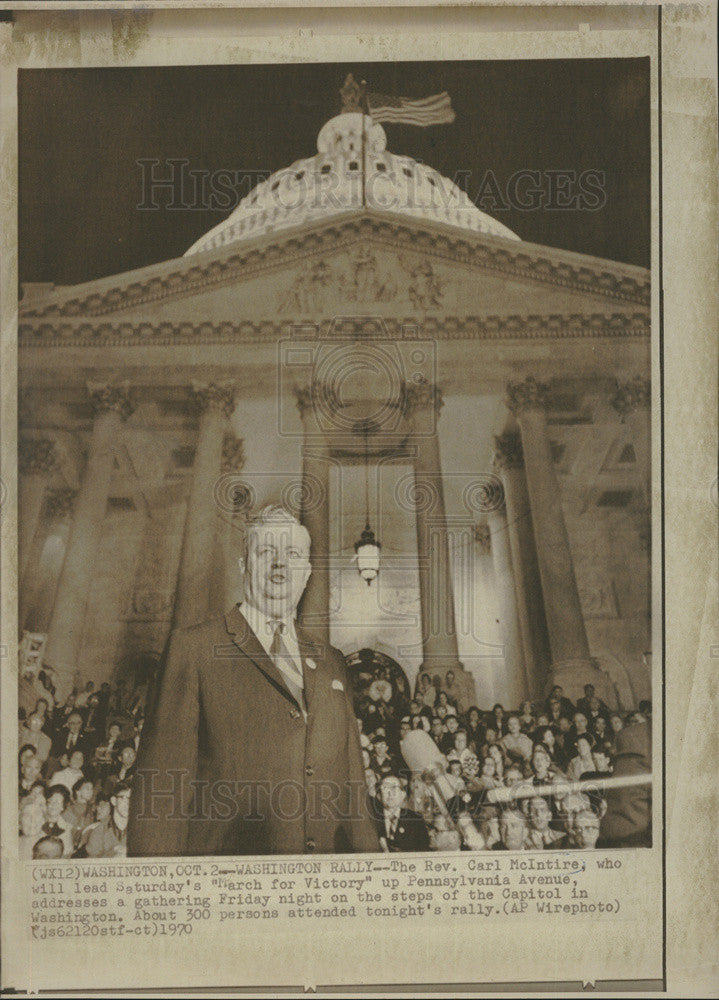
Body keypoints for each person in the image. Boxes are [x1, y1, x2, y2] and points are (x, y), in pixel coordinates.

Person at [128, 504, 380, 856]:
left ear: (306, 573)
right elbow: (161, 791)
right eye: (266, 552)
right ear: (244, 566)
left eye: (292, 554)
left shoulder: (332, 661)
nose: (280, 565)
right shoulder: (195, 648)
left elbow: (353, 791)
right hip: (228, 885)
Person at [373, 774, 429, 853]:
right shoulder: (372, 819)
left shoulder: (415, 819)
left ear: (403, 795)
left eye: (394, 788)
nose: (390, 793)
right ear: (379, 796)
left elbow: (424, 851)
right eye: (385, 788)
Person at [86, 782, 131, 857]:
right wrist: (112, 853)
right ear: (113, 801)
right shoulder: (98, 831)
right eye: (123, 798)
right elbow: (90, 864)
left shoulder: (140, 831)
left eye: (130, 798)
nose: (128, 803)